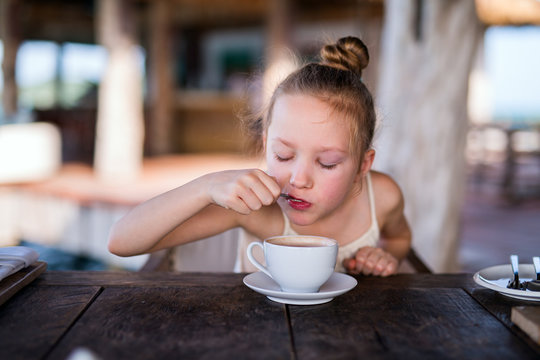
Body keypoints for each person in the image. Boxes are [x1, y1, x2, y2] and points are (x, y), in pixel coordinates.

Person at [108, 36, 412, 277]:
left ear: (363, 165)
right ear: (266, 145)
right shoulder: (256, 208)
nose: (298, 179)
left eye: (327, 163)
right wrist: (204, 187)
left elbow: (398, 239)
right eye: (282, 155)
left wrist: (386, 256)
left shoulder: (382, 197)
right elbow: (121, 242)